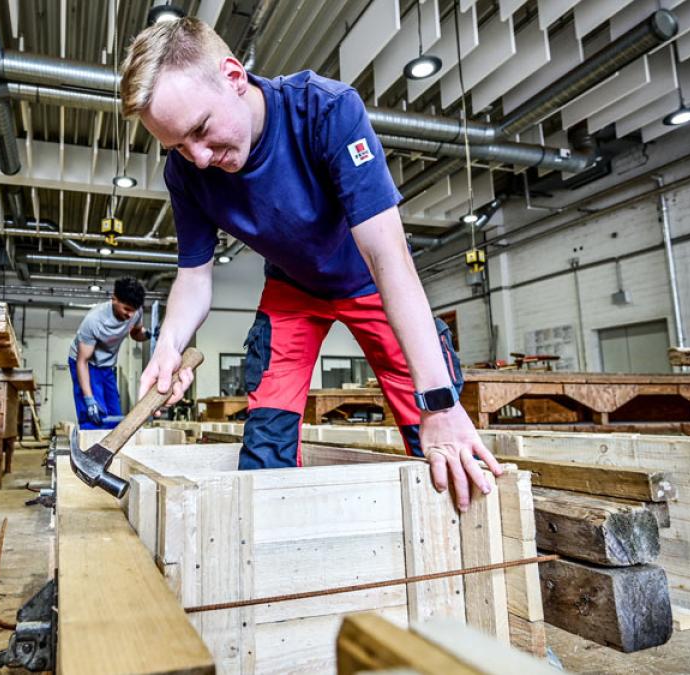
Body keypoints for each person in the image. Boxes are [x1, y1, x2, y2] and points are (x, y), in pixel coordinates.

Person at [120, 17, 501, 511]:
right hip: (293, 290)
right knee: (267, 437)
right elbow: (194, 275)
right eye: (177, 146)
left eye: (200, 130)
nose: (196, 157)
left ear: (234, 77)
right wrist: (169, 346)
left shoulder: (325, 111)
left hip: (368, 280)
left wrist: (441, 403)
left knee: (433, 424)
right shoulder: (186, 174)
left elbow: (389, 258)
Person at [69, 277, 152, 429]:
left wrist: (149, 335)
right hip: (87, 364)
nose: (130, 315)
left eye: (133, 310)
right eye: (126, 309)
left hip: (107, 366)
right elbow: (82, 361)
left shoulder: (136, 311)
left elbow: (136, 333)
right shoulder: (94, 321)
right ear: (114, 299)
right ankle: (92, 449)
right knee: (94, 416)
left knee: (116, 416)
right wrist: (89, 398)